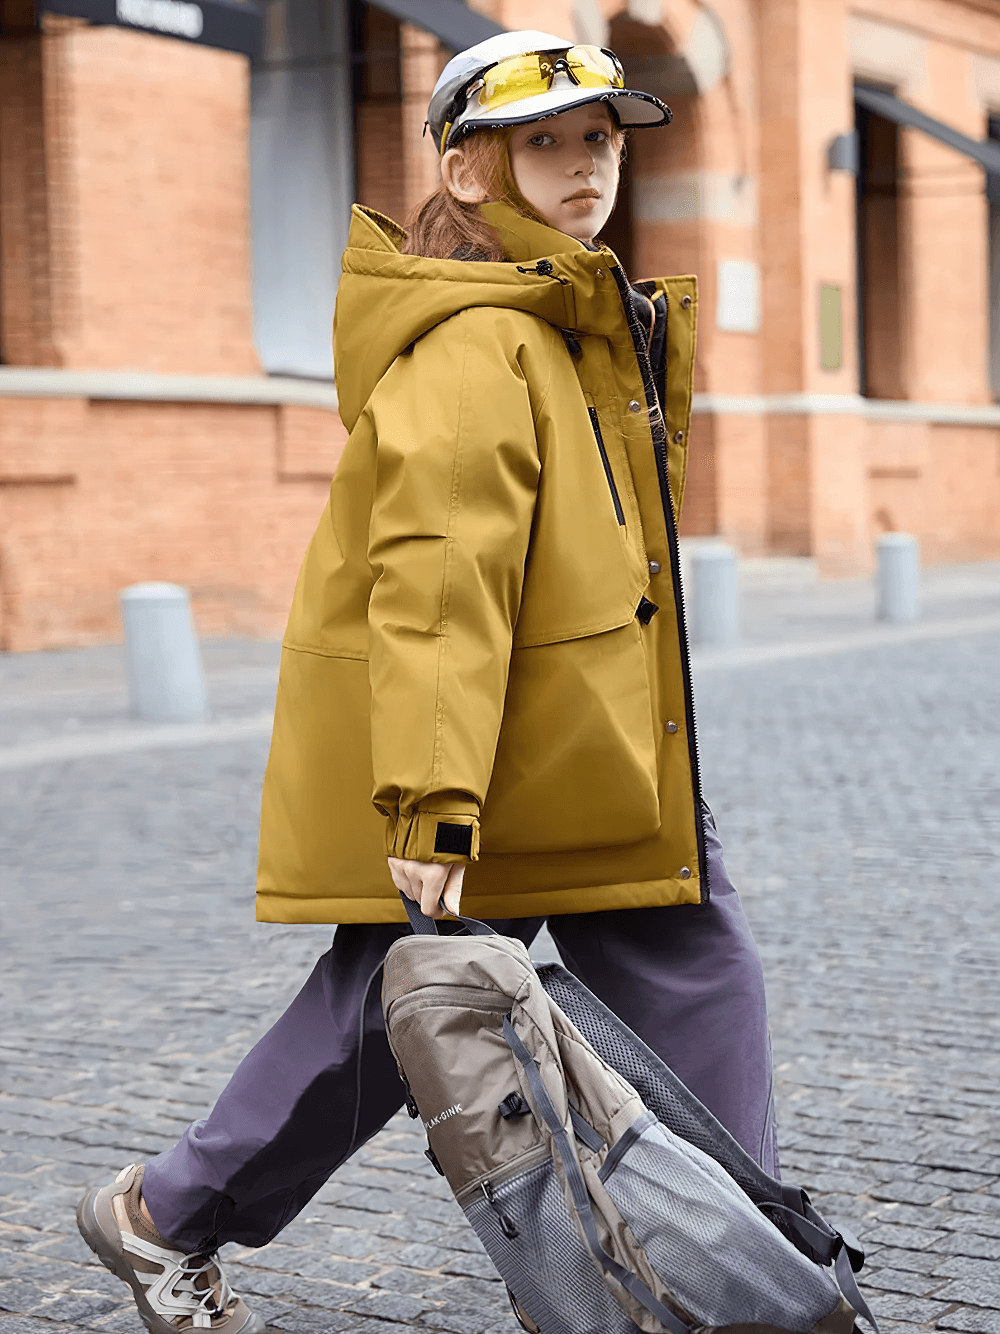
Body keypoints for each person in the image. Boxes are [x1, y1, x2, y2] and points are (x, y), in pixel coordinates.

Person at [76, 30, 778, 1334]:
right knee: (382, 1017)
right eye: (545, 143)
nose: (586, 165)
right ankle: (166, 1212)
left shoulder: (569, 322)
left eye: (600, 139)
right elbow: (441, 582)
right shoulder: (478, 341)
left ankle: (746, 1267)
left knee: (681, 973)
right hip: (496, 761)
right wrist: (435, 799)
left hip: (587, 749)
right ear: (465, 171)